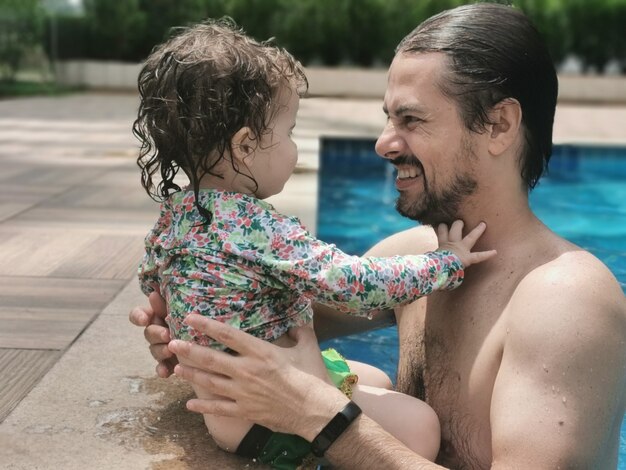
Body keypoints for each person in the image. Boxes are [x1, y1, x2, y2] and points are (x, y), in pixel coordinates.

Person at [130, 3, 626, 469]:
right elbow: (266, 328)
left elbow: (312, 404)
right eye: (388, 118)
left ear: (498, 125)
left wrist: (320, 419)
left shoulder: (564, 299)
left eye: (410, 119)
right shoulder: (414, 256)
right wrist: (187, 331)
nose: (384, 143)